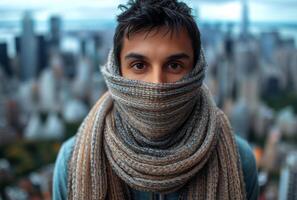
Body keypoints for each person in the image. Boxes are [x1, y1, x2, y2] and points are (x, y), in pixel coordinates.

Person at [52, 0, 259, 199]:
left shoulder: (238, 161)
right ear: (117, 71)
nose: (157, 85)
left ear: (196, 71)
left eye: (175, 65)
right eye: (139, 66)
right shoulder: (72, 161)